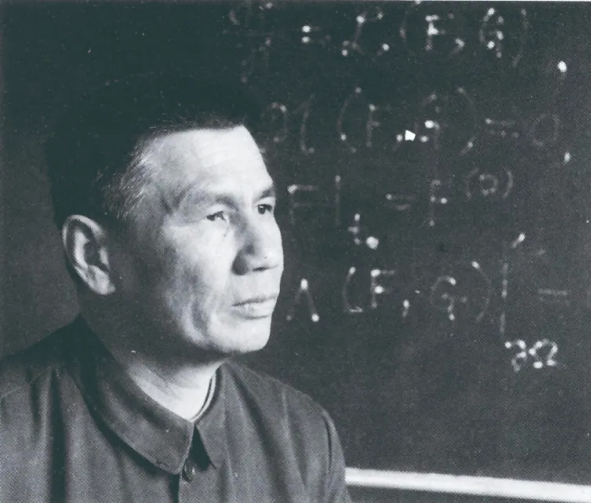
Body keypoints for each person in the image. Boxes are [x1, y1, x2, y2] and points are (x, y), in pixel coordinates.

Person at [0, 74, 351, 503]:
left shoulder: (303, 437)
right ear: (94, 257)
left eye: (263, 207)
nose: (264, 254)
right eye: (216, 215)